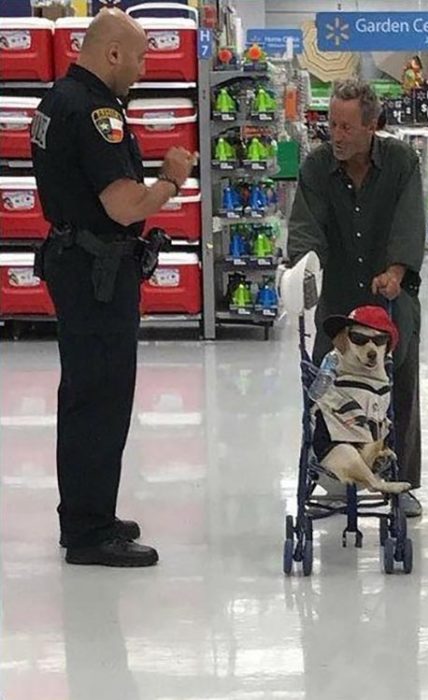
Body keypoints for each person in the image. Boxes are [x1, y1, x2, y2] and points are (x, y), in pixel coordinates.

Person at [31, 8, 196, 566]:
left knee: (83, 393)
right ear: (113, 54)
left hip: (73, 262)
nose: (147, 67)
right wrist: (172, 177)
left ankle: (85, 511)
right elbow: (124, 204)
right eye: (142, 56)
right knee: (101, 397)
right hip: (97, 274)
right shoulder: (98, 110)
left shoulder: (56, 99)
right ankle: (90, 531)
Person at [287, 78, 425, 516]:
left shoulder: (402, 162)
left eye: (347, 127)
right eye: (332, 125)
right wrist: (305, 271)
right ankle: (328, 472)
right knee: (326, 388)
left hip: (390, 297)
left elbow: (409, 220)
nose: (337, 136)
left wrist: (397, 271)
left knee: (396, 386)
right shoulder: (316, 167)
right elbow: (306, 226)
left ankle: (400, 483)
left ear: (371, 126)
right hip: (338, 299)